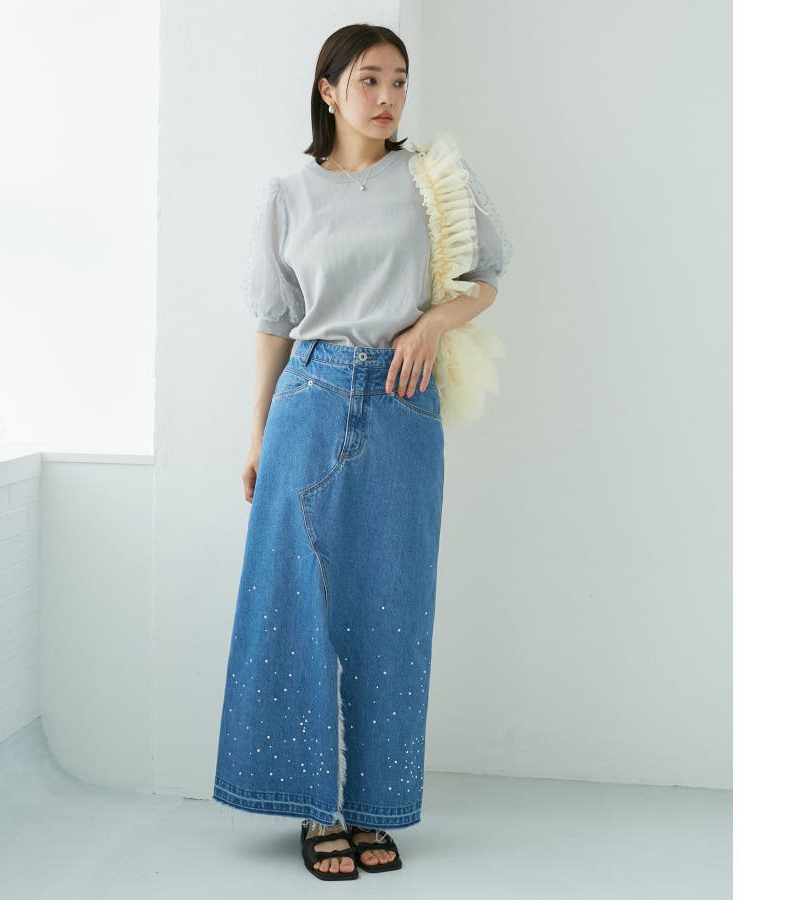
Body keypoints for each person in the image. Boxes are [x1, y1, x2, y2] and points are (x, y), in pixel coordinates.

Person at [212, 24, 510, 881]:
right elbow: (274, 322)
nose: (387, 97)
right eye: (369, 79)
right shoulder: (287, 194)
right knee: (296, 604)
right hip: (308, 399)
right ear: (328, 89)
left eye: (400, 81)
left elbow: (485, 276)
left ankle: (375, 807)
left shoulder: (433, 181)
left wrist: (433, 323)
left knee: (392, 609)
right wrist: (257, 434)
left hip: (401, 402)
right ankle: (317, 809)